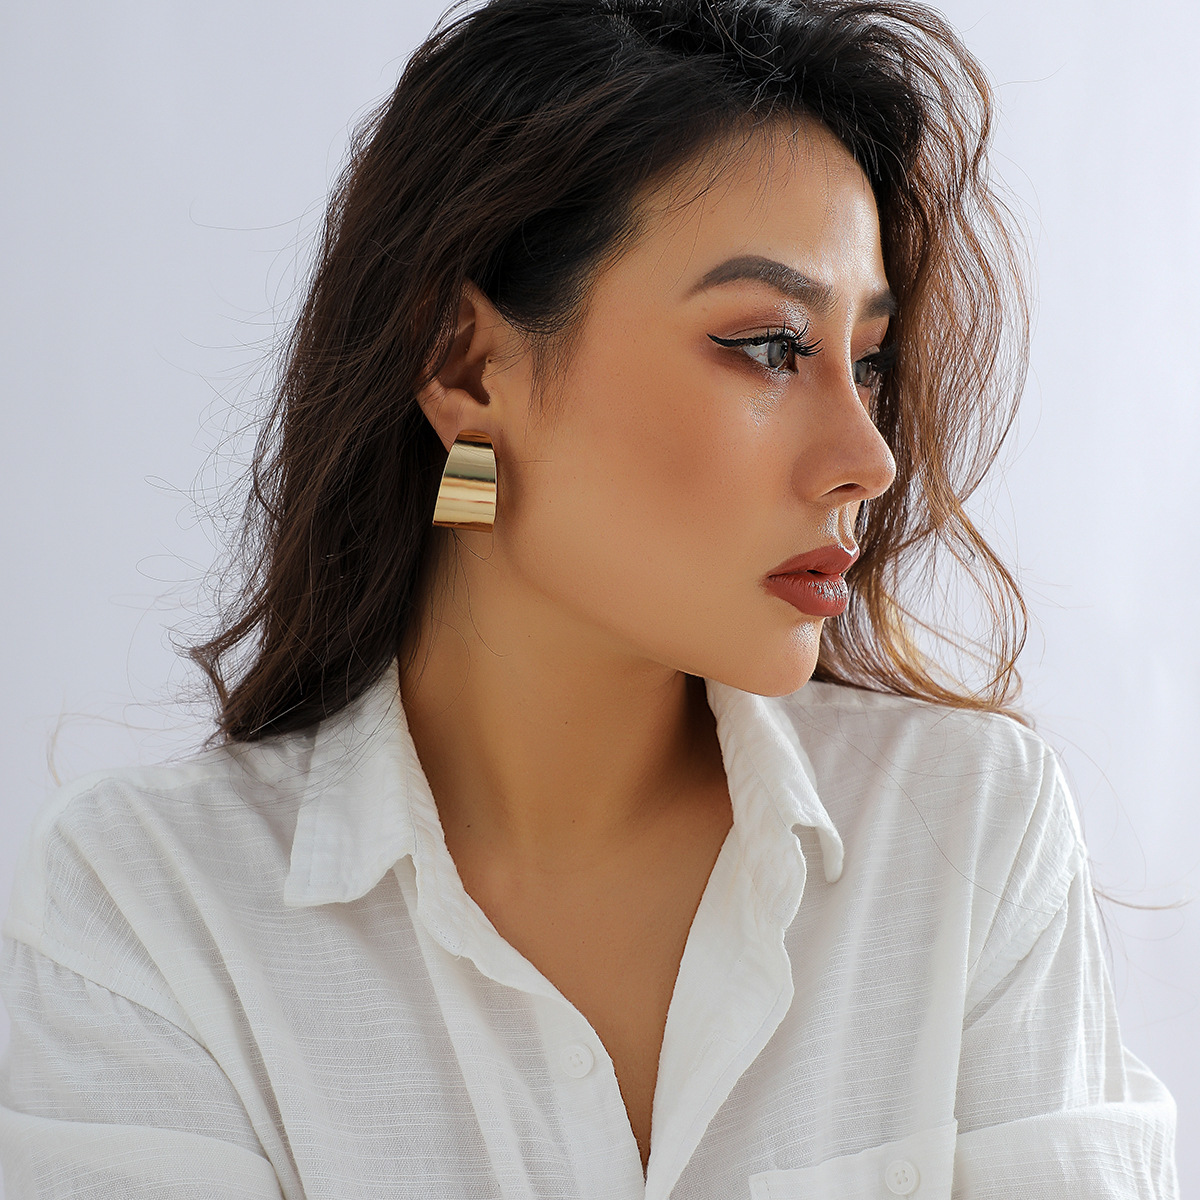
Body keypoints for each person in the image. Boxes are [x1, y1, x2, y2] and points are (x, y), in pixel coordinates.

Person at [0, 0, 1180, 1195]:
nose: (867, 460)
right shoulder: (149, 909)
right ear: (467, 367)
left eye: (865, 360)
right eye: (771, 345)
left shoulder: (966, 832)